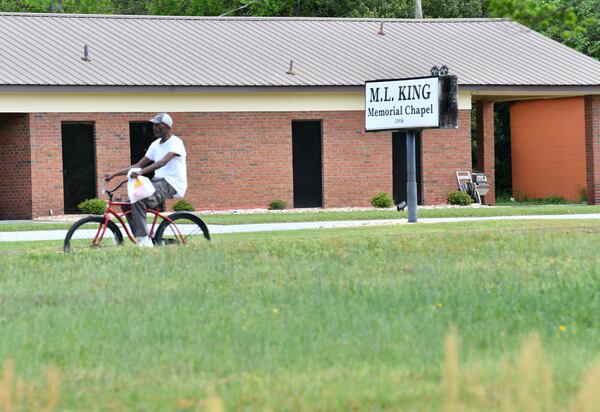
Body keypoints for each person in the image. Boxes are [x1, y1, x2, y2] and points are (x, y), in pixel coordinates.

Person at [103, 113, 187, 247]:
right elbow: (138, 165)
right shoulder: (155, 145)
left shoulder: (176, 143)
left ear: (166, 126)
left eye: (157, 125)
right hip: (157, 181)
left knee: (139, 199)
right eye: (153, 125)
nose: (154, 128)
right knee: (127, 204)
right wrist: (114, 174)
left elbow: (162, 162)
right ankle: (143, 235)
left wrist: (140, 172)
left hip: (171, 183)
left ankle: (145, 241)